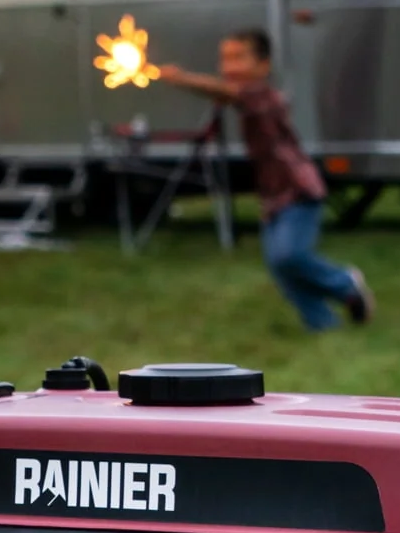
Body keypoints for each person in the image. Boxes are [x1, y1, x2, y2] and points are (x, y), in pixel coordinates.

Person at [157, 29, 373, 332]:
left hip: (298, 189)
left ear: (263, 66)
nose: (229, 67)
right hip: (274, 194)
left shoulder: (263, 95)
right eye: (225, 59)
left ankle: (345, 283)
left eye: (239, 58)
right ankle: (323, 323)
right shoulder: (245, 98)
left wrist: (179, 78)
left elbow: (226, 92)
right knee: (280, 268)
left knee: (290, 256)